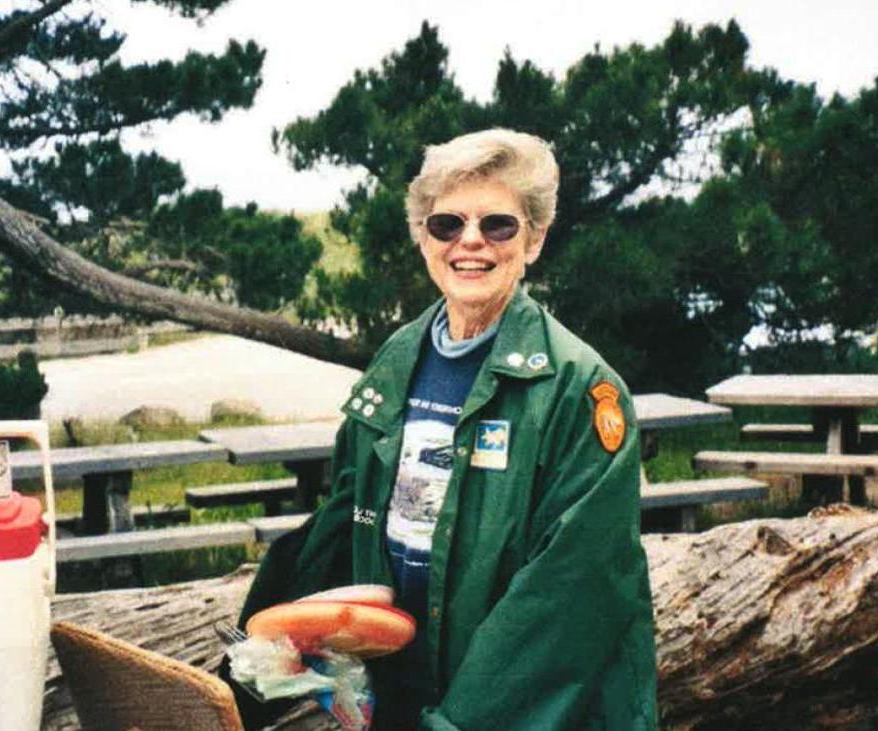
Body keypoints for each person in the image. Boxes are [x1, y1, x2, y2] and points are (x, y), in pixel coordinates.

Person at [231, 129, 658, 730]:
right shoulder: (396, 360)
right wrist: (256, 659)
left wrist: (455, 724)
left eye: (499, 225)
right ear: (423, 239)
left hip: (527, 710)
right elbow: (348, 519)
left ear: (534, 239)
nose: (471, 243)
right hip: (405, 692)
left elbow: (568, 595)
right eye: (447, 224)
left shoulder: (580, 390)